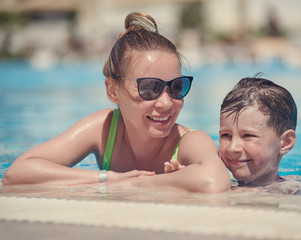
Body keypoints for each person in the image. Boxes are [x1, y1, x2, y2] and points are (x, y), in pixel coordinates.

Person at [2, 12, 231, 193]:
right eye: (149, 87)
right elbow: (17, 174)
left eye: (176, 87)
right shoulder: (104, 129)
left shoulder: (189, 141)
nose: (166, 103)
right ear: (113, 90)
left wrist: (141, 183)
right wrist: (107, 178)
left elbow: (214, 181)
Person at [166, 76, 298, 188]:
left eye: (248, 136)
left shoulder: (294, 192)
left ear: (286, 142)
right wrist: (181, 180)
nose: (232, 148)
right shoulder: (221, 182)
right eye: (226, 135)